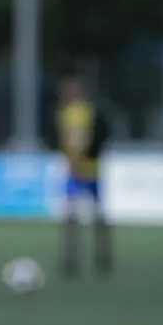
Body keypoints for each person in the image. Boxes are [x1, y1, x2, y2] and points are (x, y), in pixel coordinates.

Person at [46, 68, 113, 277]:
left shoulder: (83, 112)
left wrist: (80, 156)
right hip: (75, 171)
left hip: (88, 170)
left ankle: (101, 255)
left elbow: (82, 138)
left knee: (94, 215)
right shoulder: (64, 112)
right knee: (72, 216)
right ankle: (73, 258)